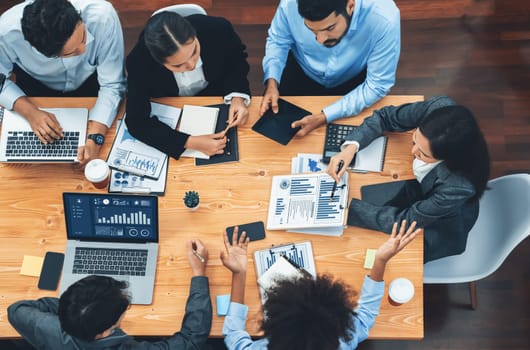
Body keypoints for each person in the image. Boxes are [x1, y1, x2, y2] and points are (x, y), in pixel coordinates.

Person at [327, 96, 491, 263]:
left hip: (438, 228)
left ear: (448, 158)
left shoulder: (457, 186)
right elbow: (385, 117)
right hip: (418, 192)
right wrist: (351, 148)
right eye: (414, 140)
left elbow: (406, 222)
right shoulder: (439, 109)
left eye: (424, 154)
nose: (413, 152)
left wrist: (346, 208)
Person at [221, 221, 420, 349]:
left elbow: (234, 338)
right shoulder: (344, 341)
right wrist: (380, 261)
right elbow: (365, 317)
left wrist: (239, 274)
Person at [7, 239, 212, 349]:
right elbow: (191, 340)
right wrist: (199, 273)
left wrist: (71, 309)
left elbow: (15, 309)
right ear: (106, 332)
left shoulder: (47, 327)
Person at [0, 0, 127, 166]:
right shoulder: (6, 32)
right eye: (71, 53)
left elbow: (112, 84)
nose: (84, 50)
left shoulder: (103, 17)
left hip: (91, 82)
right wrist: (30, 112)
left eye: (83, 37)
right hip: (36, 87)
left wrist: (95, 139)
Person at [259, 0, 400, 137]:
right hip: (299, 71)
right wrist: (272, 83)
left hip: (353, 82)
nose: (320, 40)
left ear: (350, 6)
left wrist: (324, 116)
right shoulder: (289, 4)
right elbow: (278, 41)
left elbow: (377, 85)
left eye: (330, 28)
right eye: (311, 30)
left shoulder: (384, 17)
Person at [125, 11, 251, 159]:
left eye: (194, 52)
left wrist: (237, 96)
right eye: (178, 66)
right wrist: (190, 142)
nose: (192, 65)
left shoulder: (218, 29)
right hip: (172, 102)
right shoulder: (139, 62)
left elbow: (236, 59)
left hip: (216, 91)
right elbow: (136, 122)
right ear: (159, 62)